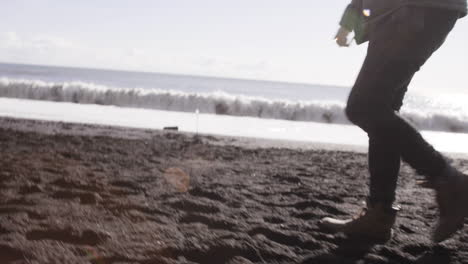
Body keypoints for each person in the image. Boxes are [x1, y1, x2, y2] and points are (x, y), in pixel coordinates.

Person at [319, 0, 468, 243]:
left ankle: (451, 181)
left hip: (412, 11)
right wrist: (352, 18)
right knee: (382, 109)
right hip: (406, 12)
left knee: (364, 106)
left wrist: (352, 17)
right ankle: (378, 214)